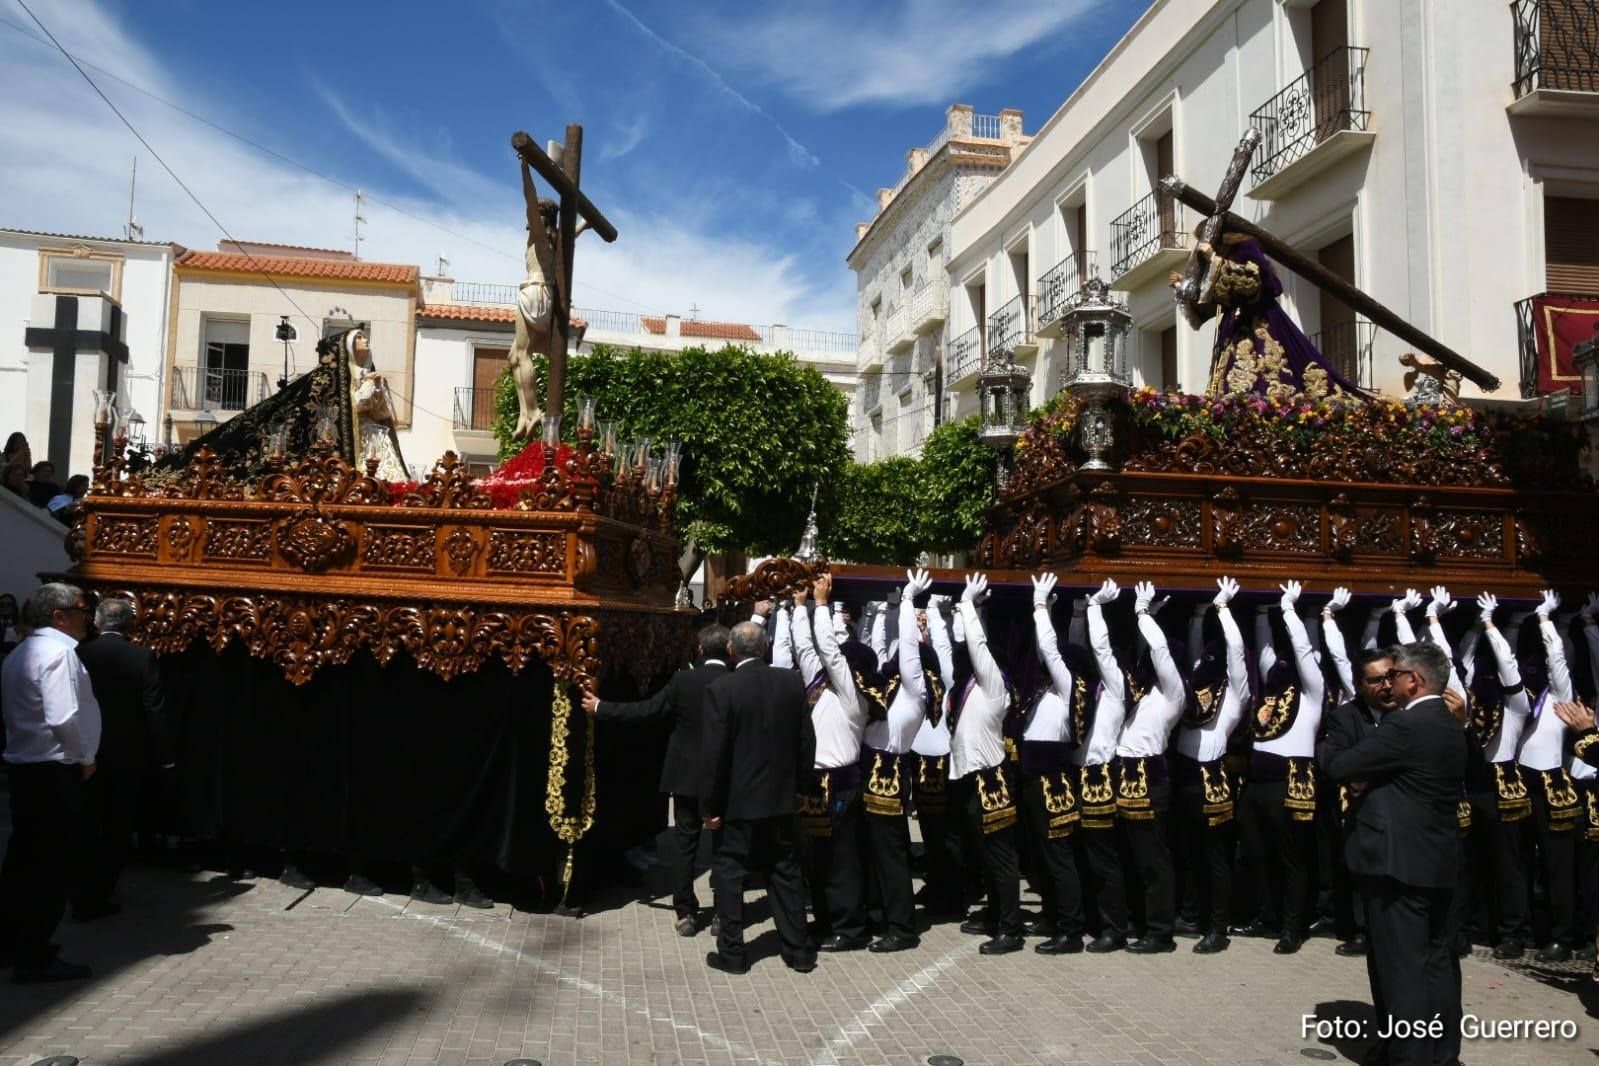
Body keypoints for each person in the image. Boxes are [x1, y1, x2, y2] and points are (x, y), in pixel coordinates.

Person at [1326, 640, 1469, 1066]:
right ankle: (1443, 1055)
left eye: (1398, 675)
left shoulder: (1405, 725)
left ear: (1415, 680)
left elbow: (1340, 767)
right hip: (1439, 859)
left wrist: (1367, 776)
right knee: (1439, 963)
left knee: (1402, 968)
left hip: (1398, 863)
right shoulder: (1450, 722)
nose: (1392, 682)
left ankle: (1410, 1057)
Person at [581, 623, 732, 936]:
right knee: (726, 847)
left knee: (685, 844)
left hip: (686, 777)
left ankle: (685, 912)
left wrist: (602, 707)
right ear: (729, 651)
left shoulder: (683, 680)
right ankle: (723, 915)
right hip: (726, 777)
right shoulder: (736, 682)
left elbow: (646, 711)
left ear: (700, 650)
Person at [699, 621, 816, 975]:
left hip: (738, 802)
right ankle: (799, 951)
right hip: (780, 798)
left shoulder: (723, 689)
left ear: (732, 651)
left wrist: (710, 806)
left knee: (731, 874)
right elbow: (805, 742)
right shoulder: (790, 682)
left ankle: (733, 954)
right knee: (784, 871)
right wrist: (803, 789)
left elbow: (714, 755)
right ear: (765, 648)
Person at [0, 582, 102, 982]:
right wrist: (86, 757)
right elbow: (62, 717)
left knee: (23, 863)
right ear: (58, 616)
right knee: (49, 869)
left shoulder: (22, 652)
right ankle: (34, 955)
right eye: (80, 608)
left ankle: (12, 943)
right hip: (52, 771)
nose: (86, 617)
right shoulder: (59, 654)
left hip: (27, 768)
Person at [1236, 580, 1326, 955]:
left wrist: (1290, 612)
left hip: (1289, 784)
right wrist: (1261, 614)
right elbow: (1266, 659)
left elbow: (1305, 654)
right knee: (1256, 854)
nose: (1281, 671)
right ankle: (1265, 915)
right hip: (1257, 783)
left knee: (1291, 858)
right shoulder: (1269, 697)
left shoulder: (1311, 694)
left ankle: (1292, 927)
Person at [72, 597, 172, 920]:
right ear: (129, 626)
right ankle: (101, 892)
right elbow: (154, 709)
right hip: (127, 754)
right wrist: (165, 755)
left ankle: (79, 891)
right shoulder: (141, 657)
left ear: (97, 623)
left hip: (85, 750)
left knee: (85, 823)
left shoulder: (79, 654)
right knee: (116, 827)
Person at [789, 573, 874, 952]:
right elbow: (806, 649)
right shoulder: (818, 687)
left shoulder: (853, 698)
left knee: (841, 861)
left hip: (840, 782)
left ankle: (850, 928)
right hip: (813, 782)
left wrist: (822, 606)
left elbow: (827, 650)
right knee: (814, 859)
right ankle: (824, 921)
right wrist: (798, 607)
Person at [859, 569, 940, 953]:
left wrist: (908, 603)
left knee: (891, 855)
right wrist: (888, 609)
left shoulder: (915, 691)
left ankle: (902, 928)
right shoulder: (895, 687)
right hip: (873, 772)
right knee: (877, 850)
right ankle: (879, 911)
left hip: (887, 775)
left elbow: (905, 650)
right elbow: (885, 650)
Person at [1172, 577, 1250, 955]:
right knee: (1187, 852)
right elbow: (1193, 655)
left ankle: (1218, 927)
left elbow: (1235, 651)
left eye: (1212, 663)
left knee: (1215, 855)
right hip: (1185, 773)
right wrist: (1200, 615)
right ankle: (1189, 915)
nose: (1207, 666)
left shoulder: (1235, 694)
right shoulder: (1196, 687)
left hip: (1212, 776)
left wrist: (1223, 610)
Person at [949, 572, 1025, 955]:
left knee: (1001, 856)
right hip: (968, 778)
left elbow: (977, 647)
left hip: (990, 781)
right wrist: (971, 609)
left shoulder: (995, 685)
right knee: (984, 855)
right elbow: (965, 646)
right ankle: (996, 914)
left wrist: (966, 604)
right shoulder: (971, 687)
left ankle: (1010, 929)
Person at [1109, 580, 1185, 954]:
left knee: (1153, 859)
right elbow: (1145, 652)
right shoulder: (1139, 692)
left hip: (1149, 776)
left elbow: (1159, 650)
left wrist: (1141, 614)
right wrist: (1147, 617)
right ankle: (1135, 921)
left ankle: (1160, 932)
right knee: (1128, 857)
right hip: (1123, 775)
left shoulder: (1173, 694)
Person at [1316, 640, 1401, 962]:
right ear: (1359, 685)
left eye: (1390, 676)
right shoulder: (1345, 717)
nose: (1386, 685)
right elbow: (1333, 758)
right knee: (1365, 874)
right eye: (1376, 680)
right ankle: (1365, 932)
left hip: (1408, 811)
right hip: (1366, 810)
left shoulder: (1409, 712)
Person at [1460, 592, 1533, 960]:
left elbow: (1509, 668)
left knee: (1508, 865)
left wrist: (1492, 625)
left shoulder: (1516, 707)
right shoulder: (1468, 711)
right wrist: (1474, 628)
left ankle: (1511, 933)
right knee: (1468, 863)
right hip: (1472, 786)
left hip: (1503, 789)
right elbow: (1461, 666)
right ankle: (1472, 927)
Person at [1022, 572, 1089, 955]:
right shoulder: (1048, 689)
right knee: (1041, 858)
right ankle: (1051, 915)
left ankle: (1071, 930)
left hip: (1052, 783)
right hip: (1034, 779)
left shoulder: (1069, 689)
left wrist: (1040, 605)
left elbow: (1051, 648)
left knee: (1059, 857)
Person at [1515, 590, 1582, 962]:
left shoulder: (1562, 693)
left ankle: (1564, 936)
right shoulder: (1523, 696)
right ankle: (1523, 929)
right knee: (1521, 861)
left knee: (1558, 867)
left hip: (1554, 782)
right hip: (1521, 777)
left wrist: (1546, 621)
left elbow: (1557, 655)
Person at [1080, 580, 1133, 953]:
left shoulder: (1114, 688)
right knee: (1085, 856)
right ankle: (1092, 919)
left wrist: (1094, 609)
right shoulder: (1089, 687)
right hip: (1078, 774)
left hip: (1101, 773)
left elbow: (1099, 649)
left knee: (1104, 858)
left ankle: (1115, 928)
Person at [324, 329, 408, 481]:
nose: (365, 339)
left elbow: (381, 414)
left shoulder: (372, 376)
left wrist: (376, 388)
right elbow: (351, 407)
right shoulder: (342, 378)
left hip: (374, 437)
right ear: (349, 345)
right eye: (359, 337)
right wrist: (367, 385)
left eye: (364, 336)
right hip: (350, 436)